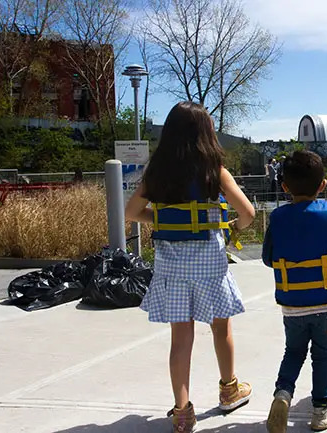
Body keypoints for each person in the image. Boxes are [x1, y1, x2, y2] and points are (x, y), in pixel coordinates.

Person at [125, 102, 255, 433]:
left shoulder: (156, 174)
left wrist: (160, 218)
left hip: (172, 268)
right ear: (206, 133)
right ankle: (229, 389)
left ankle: (182, 412)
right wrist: (233, 228)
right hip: (210, 265)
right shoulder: (215, 171)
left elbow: (130, 212)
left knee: (181, 339)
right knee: (220, 328)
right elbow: (248, 213)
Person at [262, 150, 327, 433]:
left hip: (292, 303)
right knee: (322, 356)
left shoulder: (277, 218)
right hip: (326, 302)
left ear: (284, 187)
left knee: (293, 352)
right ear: (323, 185)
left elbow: (268, 259)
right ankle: (319, 413)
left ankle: (283, 393)